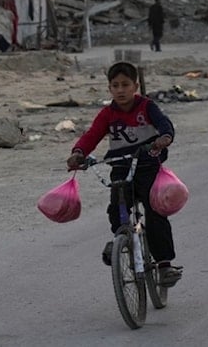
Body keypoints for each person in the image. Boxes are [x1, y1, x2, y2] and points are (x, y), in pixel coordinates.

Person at [65, 62, 181, 287]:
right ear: (109, 88)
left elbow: (165, 125)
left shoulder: (147, 107)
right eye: (115, 85)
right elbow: (92, 135)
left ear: (135, 86)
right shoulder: (107, 114)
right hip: (120, 167)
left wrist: (165, 137)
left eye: (125, 85)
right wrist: (78, 153)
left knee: (155, 210)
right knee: (117, 206)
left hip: (148, 166)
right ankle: (121, 239)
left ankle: (164, 265)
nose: (121, 90)